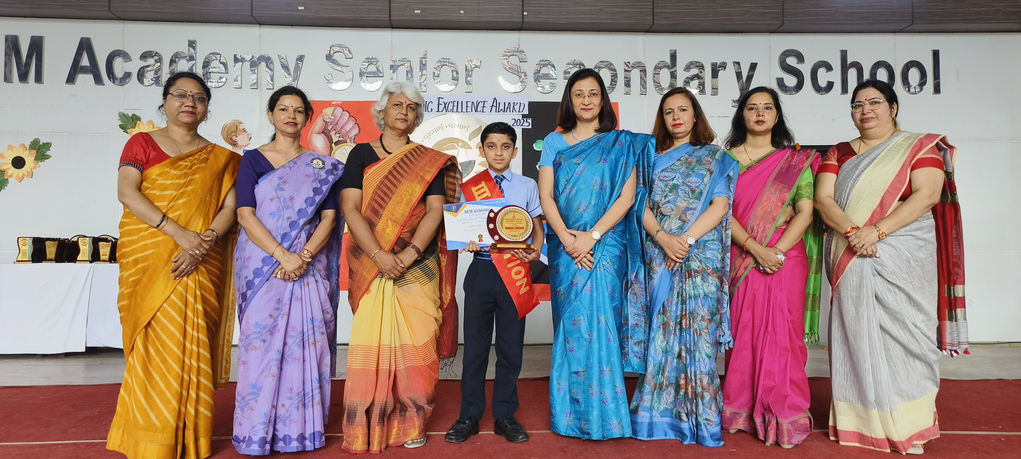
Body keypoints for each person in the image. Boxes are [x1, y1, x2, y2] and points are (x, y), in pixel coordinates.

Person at [815, 79, 966, 454]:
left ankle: (910, 424)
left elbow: (927, 195)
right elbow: (823, 200)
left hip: (904, 252)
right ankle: (861, 423)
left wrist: (877, 231)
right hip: (851, 250)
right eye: (857, 105)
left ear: (893, 108)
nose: (865, 110)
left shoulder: (918, 146)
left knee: (908, 334)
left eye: (874, 102)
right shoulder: (839, 152)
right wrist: (855, 233)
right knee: (855, 335)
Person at [108, 71, 240, 459]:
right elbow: (126, 191)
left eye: (199, 98)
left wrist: (202, 243)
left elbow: (229, 208)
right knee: (153, 346)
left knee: (192, 345)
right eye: (181, 95)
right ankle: (150, 439)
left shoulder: (221, 159)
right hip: (151, 259)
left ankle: (191, 437)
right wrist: (178, 233)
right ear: (165, 101)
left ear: (206, 108)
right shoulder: (142, 143)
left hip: (199, 261)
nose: (189, 103)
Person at [339, 81, 462, 453]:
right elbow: (350, 208)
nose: (404, 112)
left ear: (417, 116)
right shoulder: (360, 154)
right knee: (372, 343)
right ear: (382, 111)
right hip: (372, 264)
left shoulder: (428, 160)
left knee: (417, 345)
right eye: (397, 105)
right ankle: (367, 424)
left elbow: (436, 211)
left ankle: (412, 421)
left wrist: (408, 255)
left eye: (411, 107)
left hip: (417, 266)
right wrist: (379, 255)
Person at [537, 68, 653, 440]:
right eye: (579, 94)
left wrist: (592, 236)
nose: (586, 100)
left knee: (603, 324)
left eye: (593, 94)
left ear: (602, 99)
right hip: (565, 248)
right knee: (572, 328)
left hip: (606, 247)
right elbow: (545, 197)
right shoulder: (554, 142)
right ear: (569, 100)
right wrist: (568, 240)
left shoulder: (621, 143)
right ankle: (570, 416)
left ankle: (609, 416)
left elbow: (627, 197)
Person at [231, 86, 343, 455]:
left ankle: (300, 431)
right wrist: (283, 255)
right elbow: (244, 214)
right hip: (263, 269)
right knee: (259, 348)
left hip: (306, 268)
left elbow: (329, 218)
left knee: (306, 347)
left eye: (298, 110)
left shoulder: (320, 167)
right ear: (270, 115)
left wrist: (303, 257)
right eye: (283, 109)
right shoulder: (253, 160)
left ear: (307, 117)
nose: (291, 116)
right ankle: (256, 433)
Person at [627, 87, 738, 446]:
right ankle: (656, 416)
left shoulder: (714, 158)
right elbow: (638, 205)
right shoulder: (648, 158)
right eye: (669, 111)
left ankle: (702, 417)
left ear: (695, 115)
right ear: (662, 118)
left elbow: (720, 205)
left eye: (683, 110)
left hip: (700, 258)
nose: (676, 117)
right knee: (661, 332)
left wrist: (685, 241)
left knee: (699, 336)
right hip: (660, 255)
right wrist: (664, 239)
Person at [720, 86, 819, 448]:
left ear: (777, 115)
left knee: (783, 334)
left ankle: (784, 413)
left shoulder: (795, 162)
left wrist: (775, 250)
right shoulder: (724, 160)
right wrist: (755, 248)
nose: (760, 113)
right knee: (743, 329)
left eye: (767, 108)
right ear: (742, 115)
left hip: (784, 257)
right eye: (752, 108)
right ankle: (739, 408)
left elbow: (805, 211)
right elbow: (721, 211)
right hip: (742, 253)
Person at [445, 122, 543, 444]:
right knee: (474, 348)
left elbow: (537, 225)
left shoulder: (528, 185)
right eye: (491, 146)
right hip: (482, 271)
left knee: (510, 348)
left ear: (515, 151)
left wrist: (536, 249)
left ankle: (504, 415)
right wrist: (467, 241)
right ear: (482, 150)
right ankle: (469, 415)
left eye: (505, 147)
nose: (498, 152)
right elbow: (461, 229)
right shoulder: (470, 186)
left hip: (515, 272)